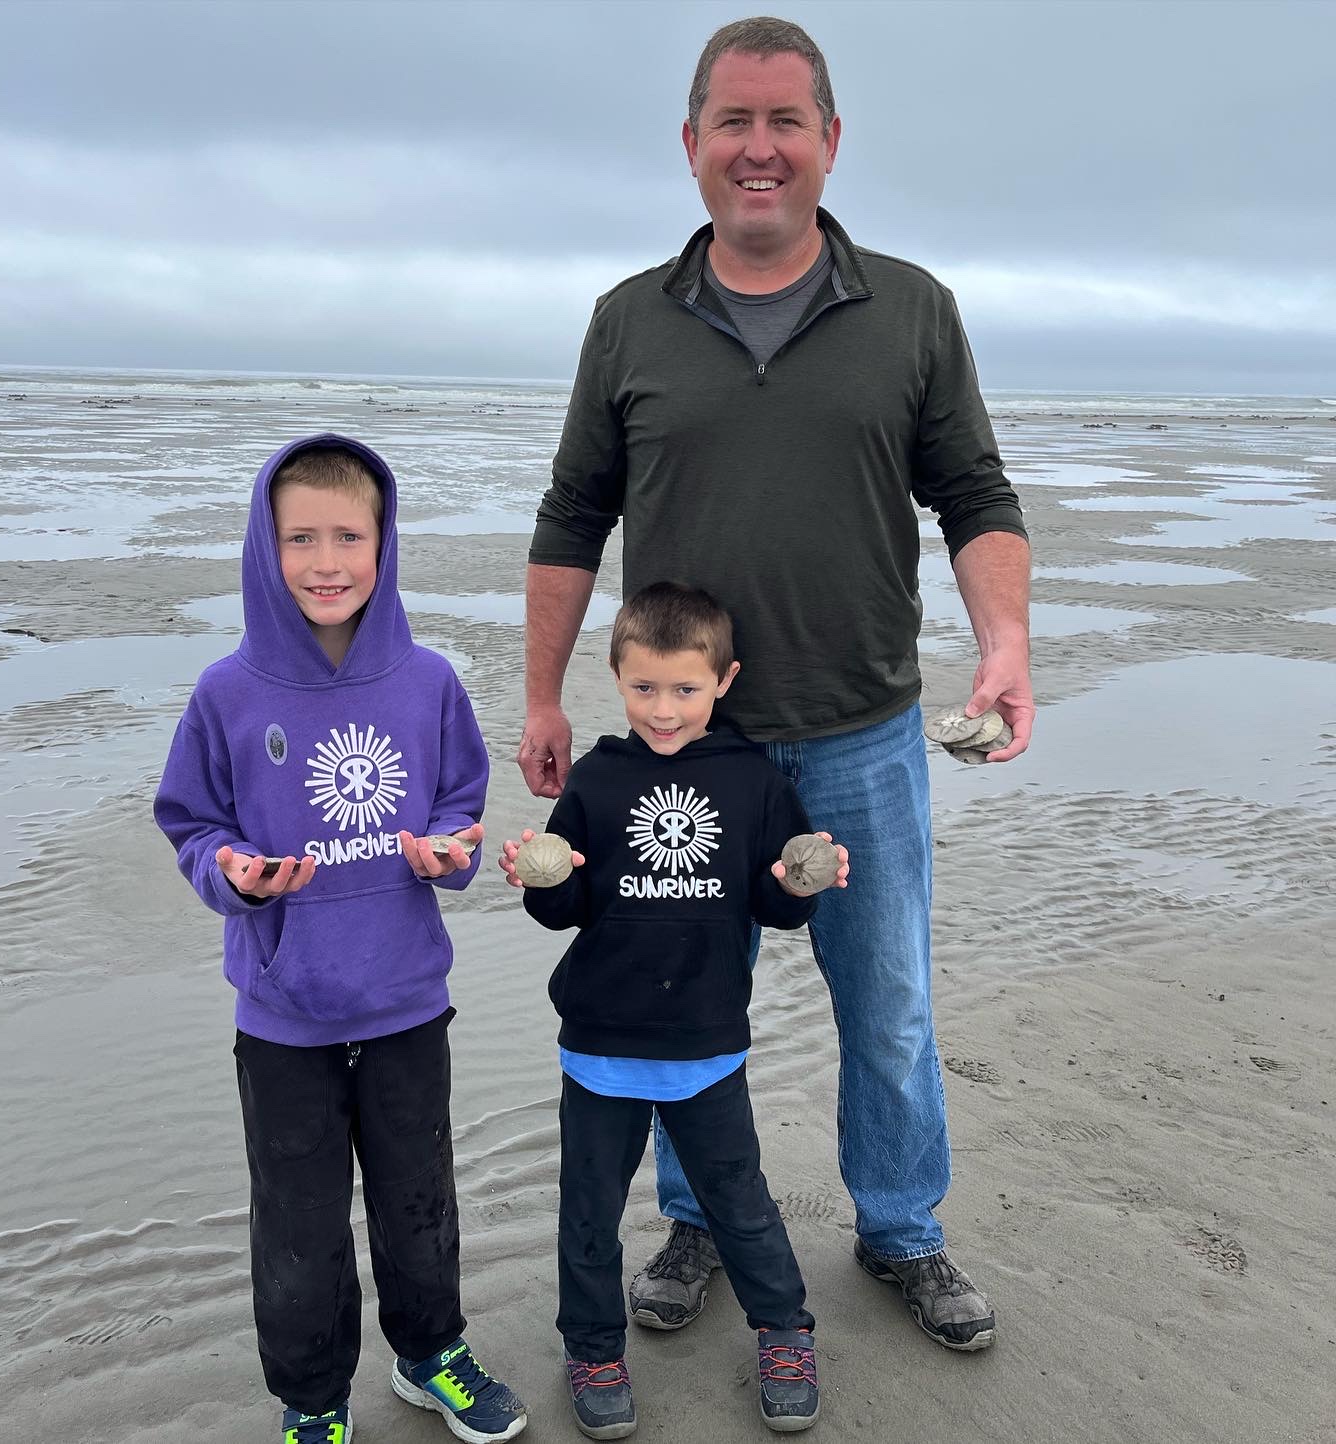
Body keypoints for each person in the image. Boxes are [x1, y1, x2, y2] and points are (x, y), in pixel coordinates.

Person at [519, 16, 1032, 1354]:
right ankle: (696, 1219)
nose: (760, 148)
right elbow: (572, 515)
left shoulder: (911, 309)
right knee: (680, 994)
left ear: (830, 140)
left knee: (891, 1005)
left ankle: (902, 1228)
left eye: (785, 121)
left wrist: (1007, 642)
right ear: (691, 143)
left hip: (864, 735)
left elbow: (975, 492)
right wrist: (543, 697)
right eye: (733, 123)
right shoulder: (628, 319)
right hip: (688, 747)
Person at [154, 436, 527, 1444]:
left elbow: (459, 804)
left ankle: (430, 1353)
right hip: (284, 1016)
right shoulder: (227, 692)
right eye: (300, 538)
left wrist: (448, 850)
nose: (327, 562)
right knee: (298, 1223)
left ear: (384, 541)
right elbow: (192, 823)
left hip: (406, 1000)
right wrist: (231, 871)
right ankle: (314, 1398)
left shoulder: (430, 682)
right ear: (263, 547)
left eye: (349, 537)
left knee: (420, 1198)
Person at [501, 582, 849, 1437]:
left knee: (741, 1203)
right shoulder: (597, 780)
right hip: (601, 1043)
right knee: (589, 1214)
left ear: (723, 681)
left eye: (686, 688)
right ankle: (593, 1350)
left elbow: (776, 904)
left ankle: (784, 1332)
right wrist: (541, 879)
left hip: (705, 1041)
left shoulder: (753, 781)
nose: (664, 709)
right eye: (644, 687)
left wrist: (800, 884)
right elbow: (567, 905)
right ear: (617, 676)